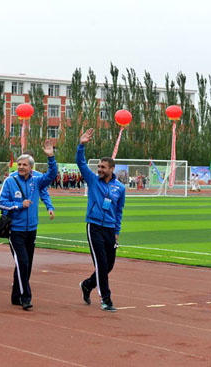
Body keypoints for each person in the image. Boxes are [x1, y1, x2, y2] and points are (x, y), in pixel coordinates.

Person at [0, 140, 57, 311]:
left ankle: (16, 295)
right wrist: (18, 205)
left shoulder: (37, 181)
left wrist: (51, 157)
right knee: (22, 262)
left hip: (32, 229)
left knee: (26, 264)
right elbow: (0, 203)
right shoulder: (10, 181)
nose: (21, 167)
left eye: (24, 164)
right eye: (19, 164)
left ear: (31, 167)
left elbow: (52, 175)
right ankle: (26, 297)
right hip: (15, 230)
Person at [76, 128, 126, 312]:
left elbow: (119, 211)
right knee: (101, 264)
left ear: (112, 169)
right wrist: (81, 145)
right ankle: (106, 299)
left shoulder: (119, 188)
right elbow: (80, 163)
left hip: (110, 229)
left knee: (109, 265)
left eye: (103, 167)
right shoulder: (93, 180)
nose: (99, 169)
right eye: (98, 166)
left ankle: (88, 284)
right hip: (94, 226)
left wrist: (117, 232)